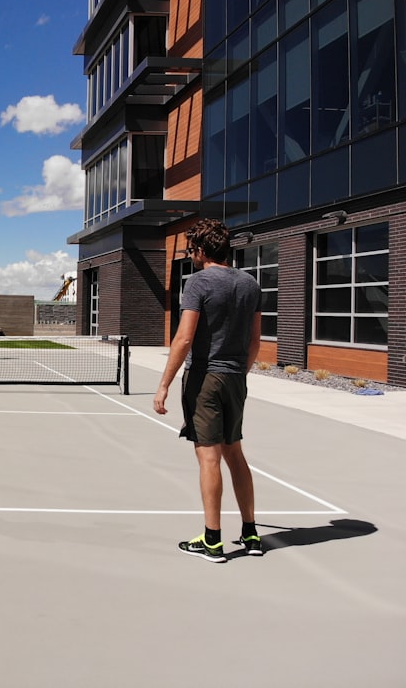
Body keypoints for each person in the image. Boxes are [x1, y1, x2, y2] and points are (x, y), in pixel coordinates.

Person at [153, 218, 263, 563]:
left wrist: (164, 384)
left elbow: (184, 338)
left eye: (192, 250)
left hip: (205, 378)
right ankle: (250, 533)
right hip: (235, 378)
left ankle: (212, 540)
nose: (192, 256)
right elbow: (255, 341)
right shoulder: (250, 284)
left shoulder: (199, 282)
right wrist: (239, 374)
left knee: (209, 457)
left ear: (200, 250)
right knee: (236, 454)